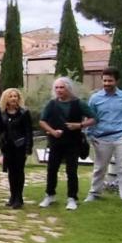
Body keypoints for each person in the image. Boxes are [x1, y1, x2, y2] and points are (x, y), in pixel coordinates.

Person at [86, 67, 122, 210]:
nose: (107, 83)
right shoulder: (95, 98)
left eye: (110, 80)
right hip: (101, 138)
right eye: (104, 80)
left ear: (116, 81)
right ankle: (94, 193)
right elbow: (90, 118)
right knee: (99, 168)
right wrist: (89, 135)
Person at [38, 77, 96, 211]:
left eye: (62, 87)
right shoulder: (51, 104)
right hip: (55, 142)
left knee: (71, 170)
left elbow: (93, 118)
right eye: (56, 88)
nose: (59, 90)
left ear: (68, 88)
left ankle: (72, 198)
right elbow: (42, 121)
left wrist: (80, 125)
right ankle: (50, 195)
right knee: (51, 169)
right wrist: (52, 131)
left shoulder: (79, 103)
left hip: (73, 142)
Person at [0, 88, 33, 209]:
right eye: (11, 96)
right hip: (8, 148)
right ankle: (12, 196)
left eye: (15, 96)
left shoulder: (24, 113)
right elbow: (1, 130)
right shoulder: (2, 113)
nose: (13, 98)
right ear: (6, 99)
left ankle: (19, 197)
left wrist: (28, 148)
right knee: (11, 173)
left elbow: (29, 131)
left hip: (20, 147)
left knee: (19, 172)